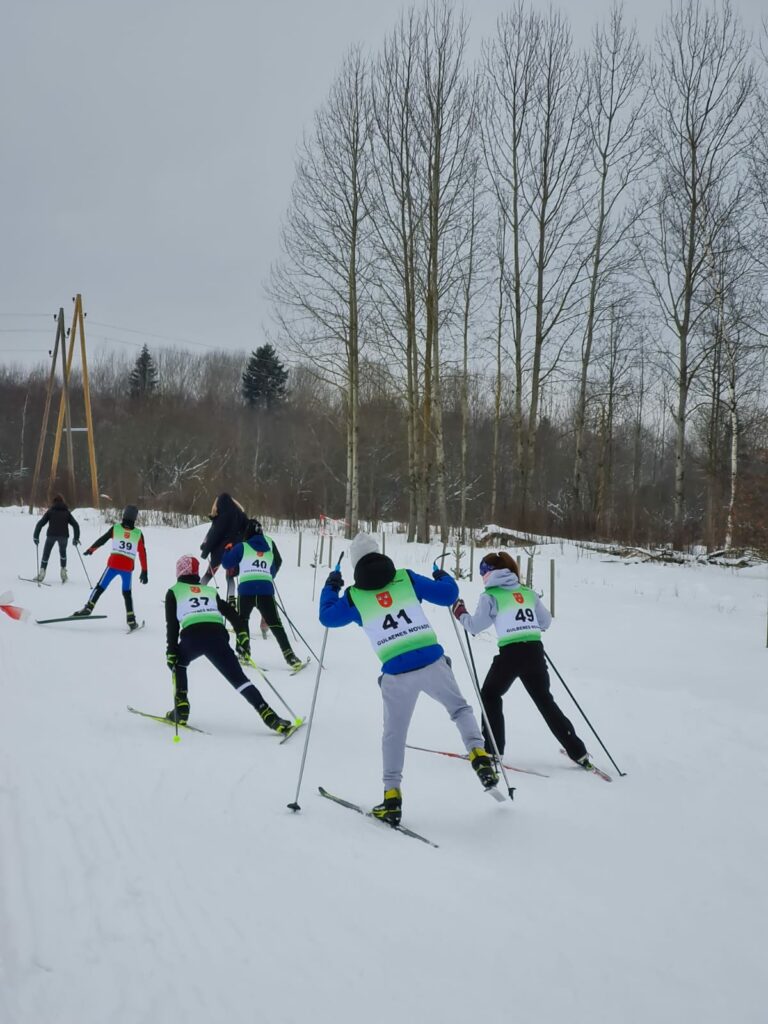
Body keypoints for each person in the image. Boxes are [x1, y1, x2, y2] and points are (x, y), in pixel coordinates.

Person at [319, 533, 498, 826]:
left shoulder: (354, 596)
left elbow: (327, 617)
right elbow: (448, 595)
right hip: (432, 660)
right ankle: (478, 753)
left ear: (355, 564)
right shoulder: (405, 578)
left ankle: (392, 798)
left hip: (396, 671)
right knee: (459, 709)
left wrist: (331, 587)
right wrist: (442, 576)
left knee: (394, 735)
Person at [453, 551, 589, 766]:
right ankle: (578, 751)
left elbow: (476, 626)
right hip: (535, 651)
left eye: (482, 572)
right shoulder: (527, 593)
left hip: (511, 654)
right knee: (545, 701)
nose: (481, 577)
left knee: (490, 695)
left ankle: (492, 751)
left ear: (489, 573)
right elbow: (545, 622)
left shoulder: (490, 596)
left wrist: (460, 612)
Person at [165, 554, 292, 733]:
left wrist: (171, 651)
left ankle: (181, 708)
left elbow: (172, 625)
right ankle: (269, 715)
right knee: (239, 680)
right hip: (217, 636)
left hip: (192, 637)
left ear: (179, 571)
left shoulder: (173, 592)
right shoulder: (209, 591)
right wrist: (242, 634)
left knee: (178, 664)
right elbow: (231, 613)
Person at [221, 518, 302, 669]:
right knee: (276, 624)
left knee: (242, 621)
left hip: (246, 590)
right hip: (265, 590)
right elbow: (274, 567)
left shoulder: (242, 547)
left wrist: (227, 550)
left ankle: (244, 652)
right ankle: (290, 656)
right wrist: (267, 576)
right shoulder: (269, 549)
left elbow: (226, 563)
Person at [74, 504, 147, 630]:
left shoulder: (116, 528)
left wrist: (91, 549)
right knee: (127, 593)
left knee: (100, 587)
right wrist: (144, 571)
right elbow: (143, 553)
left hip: (113, 565)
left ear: (124, 515)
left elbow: (102, 540)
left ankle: (89, 607)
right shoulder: (138, 534)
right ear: (135, 518)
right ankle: (131, 619)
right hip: (127, 569)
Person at [200, 493, 248, 603]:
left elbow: (214, 535)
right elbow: (246, 532)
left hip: (220, 552)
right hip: (235, 551)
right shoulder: (241, 516)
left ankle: (197, 594)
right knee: (230, 577)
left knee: (209, 573)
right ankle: (231, 599)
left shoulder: (222, 516)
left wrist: (205, 550)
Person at [32, 494, 80, 582]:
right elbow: (75, 525)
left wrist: (36, 536)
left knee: (46, 554)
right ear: (63, 502)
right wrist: (76, 538)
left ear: (54, 502)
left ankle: (42, 573)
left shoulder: (50, 511)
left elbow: (40, 523)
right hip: (63, 537)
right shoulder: (66, 512)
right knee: (63, 554)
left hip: (51, 535)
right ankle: (63, 573)